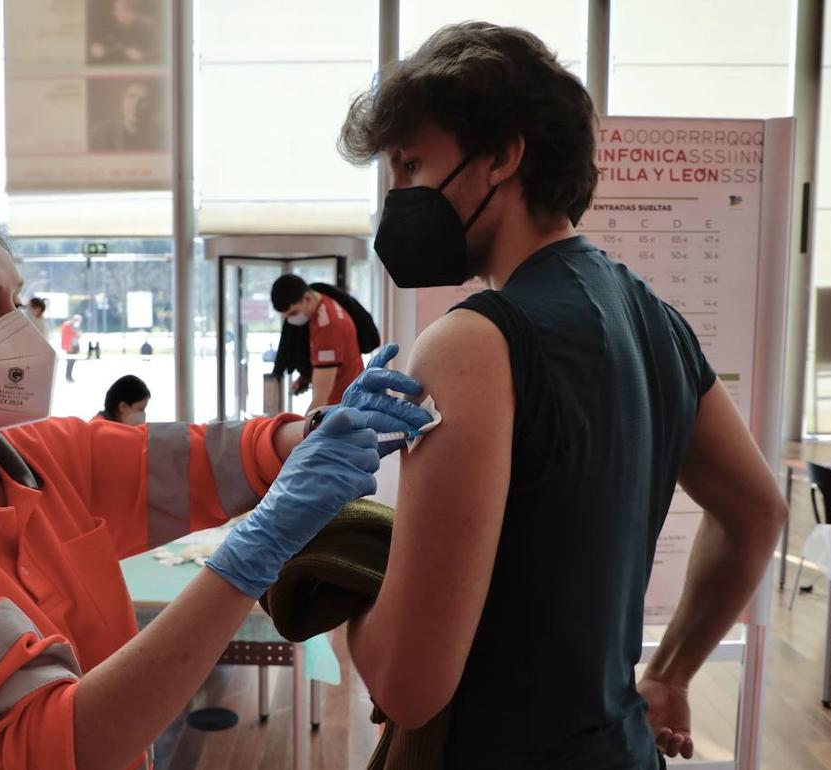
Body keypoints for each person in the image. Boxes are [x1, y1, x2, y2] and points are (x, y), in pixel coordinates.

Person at [0, 198, 431, 770]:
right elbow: (62, 742)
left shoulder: (39, 459)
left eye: (16, 302)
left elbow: (204, 460)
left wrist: (311, 431)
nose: (20, 333)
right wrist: (252, 555)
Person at [335, 23, 787, 769]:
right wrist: (670, 673)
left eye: (412, 164)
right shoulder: (659, 321)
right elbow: (756, 511)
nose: (398, 195)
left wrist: (329, 563)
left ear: (503, 156)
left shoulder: (473, 342)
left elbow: (409, 689)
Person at [271, 274, 363, 413]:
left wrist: (304, 430)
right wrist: (306, 377)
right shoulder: (324, 305)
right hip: (347, 402)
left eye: (293, 313)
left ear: (307, 298)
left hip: (341, 409)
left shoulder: (328, 326)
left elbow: (320, 399)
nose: (290, 320)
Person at [89, 81, 166, 152]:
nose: (135, 104)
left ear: (153, 107)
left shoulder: (162, 136)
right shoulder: (103, 134)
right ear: (123, 100)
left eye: (144, 100)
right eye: (131, 96)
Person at [88, 0, 161, 64]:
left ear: (129, 10)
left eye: (118, 10)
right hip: (121, 73)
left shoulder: (148, 27)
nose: (115, 13)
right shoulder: (116, 27)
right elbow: (114, 48)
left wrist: (142, 56)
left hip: (143, 74)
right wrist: (99, 49)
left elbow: (160, 53)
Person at [60, 313, 83, 382]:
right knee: (70, 362)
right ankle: (68, 377)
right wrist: (76, 334)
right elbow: (67, 335)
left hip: (75, 346)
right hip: (69, 346)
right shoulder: (67, 325)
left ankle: (70, 376)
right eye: (77, 320)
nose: (78, 322)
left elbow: (77, 335)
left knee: (72, 362)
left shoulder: (76, 326)